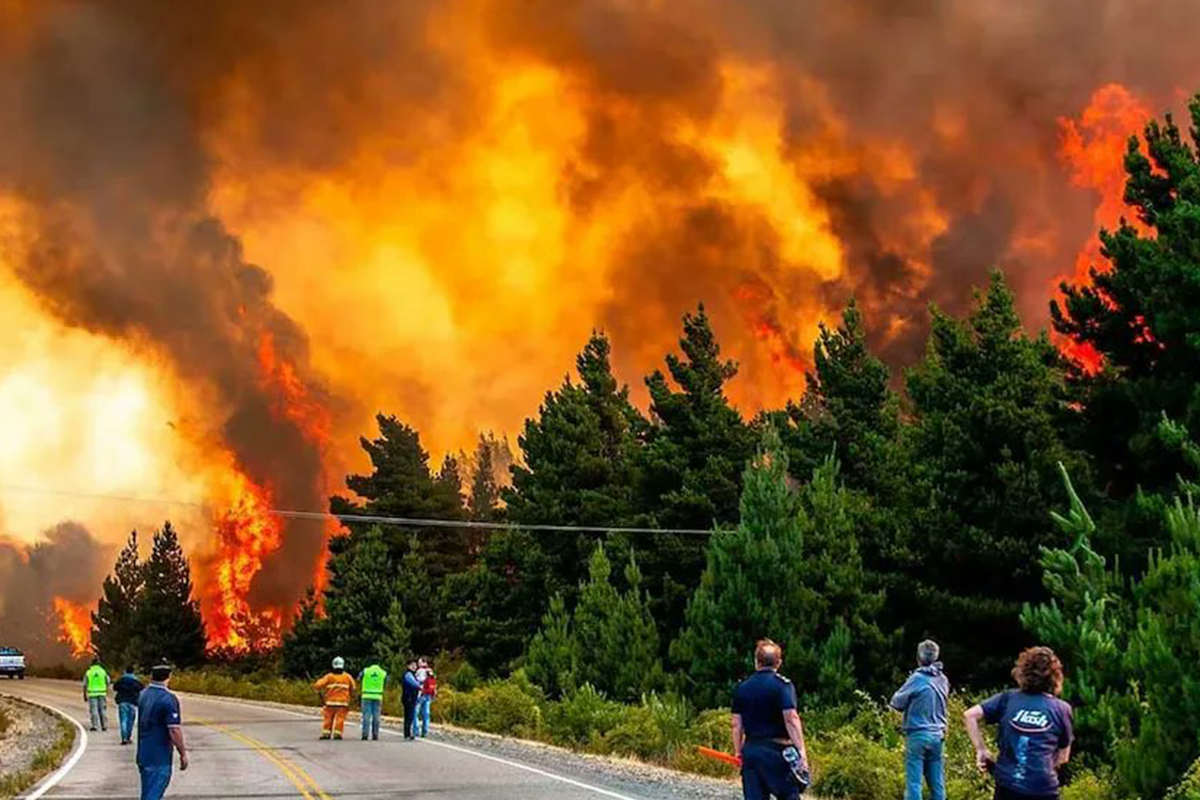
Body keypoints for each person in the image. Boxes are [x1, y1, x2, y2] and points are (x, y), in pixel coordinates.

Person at [964, 647, 1073, 800]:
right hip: (1043, 788)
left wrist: (981, 750)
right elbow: (1063, 757)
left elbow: (970, 716)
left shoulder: (1008, 699)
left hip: (1008, 785)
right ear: (1055, 676)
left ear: (1022, 671)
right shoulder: (1062, 709)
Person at [731, 639, 810, 800]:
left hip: (752, 750)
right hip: (777, 752)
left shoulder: (742, 687)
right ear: (778, 663)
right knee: (789, 795)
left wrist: (738, 752)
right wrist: (801, 751)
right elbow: (791, 719)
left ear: (756, 662)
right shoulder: (782, 686)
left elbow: (736, 725)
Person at [891, 640, 950, 800]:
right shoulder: (942, 679)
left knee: (914, 784)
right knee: (937, 784)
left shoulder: (917, 678)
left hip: (918, 734)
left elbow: (896, 702)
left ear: (918, 657)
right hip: (938, 735)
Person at [136, 660, 187, 800]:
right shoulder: (168, 699)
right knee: (154, 793)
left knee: (147, 792)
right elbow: (174, 729)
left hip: (143, 753)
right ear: (168, 677)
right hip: (159, 755)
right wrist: (182, 752)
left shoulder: (143, 694)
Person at [313, 656, 356, 740]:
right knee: (340, 719)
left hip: (330, 703)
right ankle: (337, 734)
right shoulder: (347, 677)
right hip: (343, 703)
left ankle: (326, 734)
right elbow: (353, 687)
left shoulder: (329, 677)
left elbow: (317, 685)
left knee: (328, 719)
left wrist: (319, 692)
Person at [114, 666, 145, 745]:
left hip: (122, 701)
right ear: (133, 672)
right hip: (132, 702)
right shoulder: (135, 681)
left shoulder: (121, 680)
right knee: (130, 721)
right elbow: (142, 688)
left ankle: (123, 737)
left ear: (125, 671)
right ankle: (128, 737)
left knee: (123, 720)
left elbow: (115, 687)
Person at [358, 661, 388, 741]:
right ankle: (375, 735)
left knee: (366, 716)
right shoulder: (383, 673)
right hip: (378, 696)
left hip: (366, 695)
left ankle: (365, 735)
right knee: (376, 716)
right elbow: (386, 682)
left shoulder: (365, 671)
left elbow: (359, 678)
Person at [83, 658, 111, 732]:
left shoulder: (88, 672)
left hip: (92, 694)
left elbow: (85, 684)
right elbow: (108, 682)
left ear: (92, 664)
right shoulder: (103, 672)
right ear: (99, 664)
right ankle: (104, 726)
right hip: (102, 693)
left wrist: (84, 695)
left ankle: (95, 726)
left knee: (94, 710)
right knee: (102, 710)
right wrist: (107, 690)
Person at [401, 660, 421, 740]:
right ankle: (407, 734)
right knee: (409, 716)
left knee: (409, 716)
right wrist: (420, 686)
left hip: (411, 698)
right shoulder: (408, 674)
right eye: (413, 665)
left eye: (415, 665)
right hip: (408, 698)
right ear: (408, 666)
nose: (415, 667)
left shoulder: (412, 674)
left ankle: (408, 733)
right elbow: (414, 684)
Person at [417, 662, 437, 738]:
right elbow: (434, 685)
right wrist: (434, 694)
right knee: (426, 713)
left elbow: (419, 681)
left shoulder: (420, 671)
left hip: (421, 694)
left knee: (416, 713)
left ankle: (416, 730)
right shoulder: (431, 672)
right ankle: (425, 730)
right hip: (429, 695)